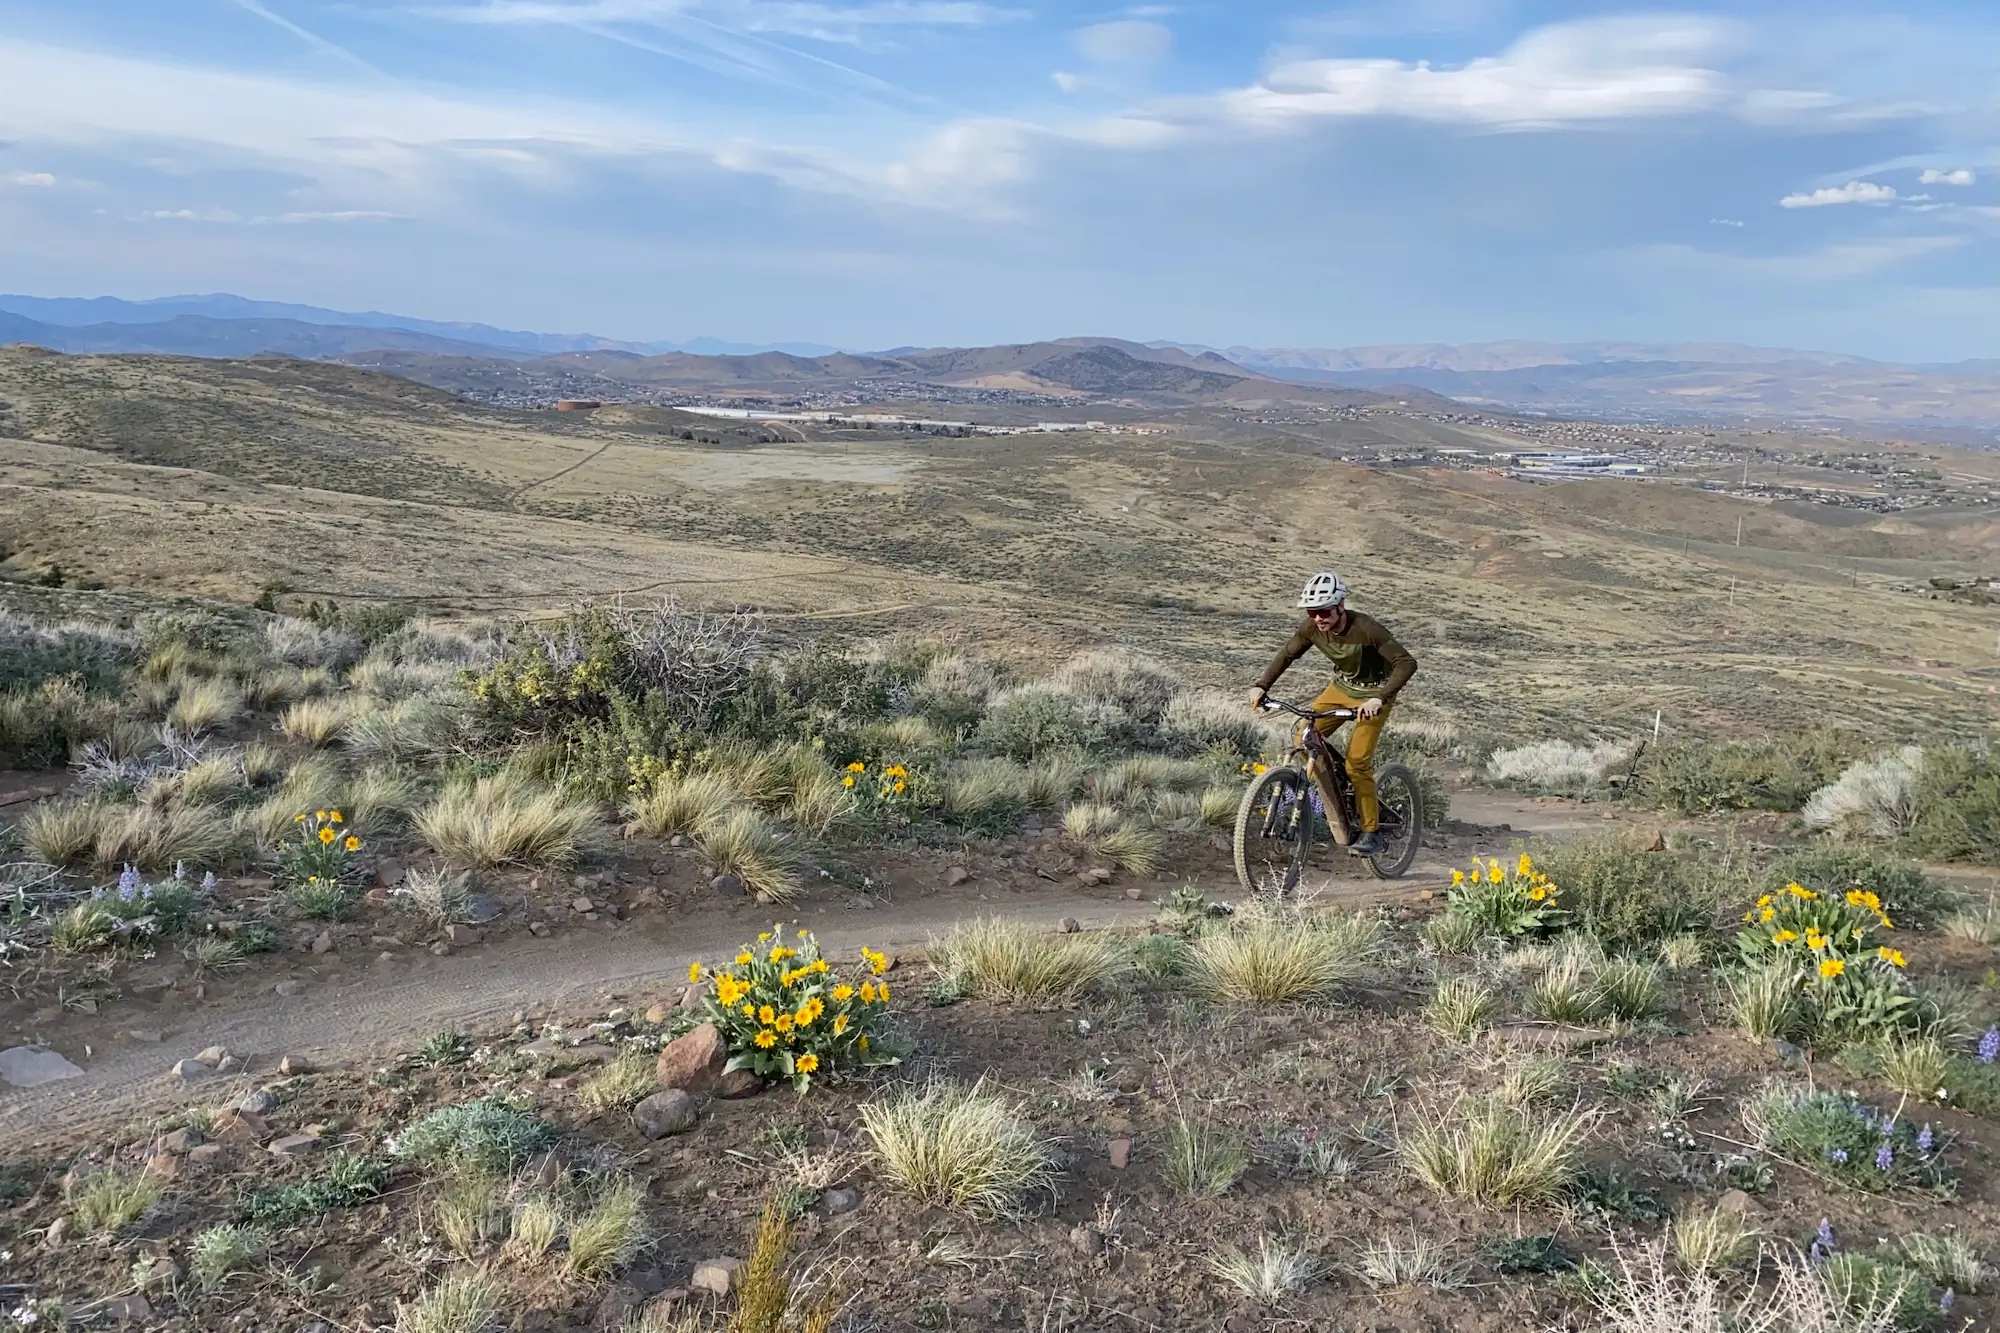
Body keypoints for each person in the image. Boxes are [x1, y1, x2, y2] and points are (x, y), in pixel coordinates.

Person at [1246, 572, 1417, 854]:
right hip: (1341, 688)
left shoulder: (1366, 628)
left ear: (1340, 606)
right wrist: (1261, 686)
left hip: (1374, 696)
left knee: (1357, 763)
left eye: (1324, 611)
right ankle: (1337, 791)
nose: (1318, 618)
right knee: (1304, 735)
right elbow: (1287, 654)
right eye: (1312, 612)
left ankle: (1370, 831)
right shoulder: (1312, 628)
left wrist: (1379, 697)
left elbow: (1406, 663)